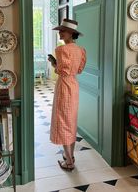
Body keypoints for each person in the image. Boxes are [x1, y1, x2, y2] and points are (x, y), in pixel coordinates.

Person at [48, 18, 86, 171]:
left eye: (63, 31)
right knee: (71, 121)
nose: (60, 33)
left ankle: (69, 161)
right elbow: (79, 69)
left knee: (63, 121)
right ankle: (70, 156)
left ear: (71, 33)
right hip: (74, 85)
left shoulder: (61, 50)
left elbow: (61, 70)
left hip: (64, 85)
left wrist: (54, 64)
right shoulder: (80, 50)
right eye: (59, 30)